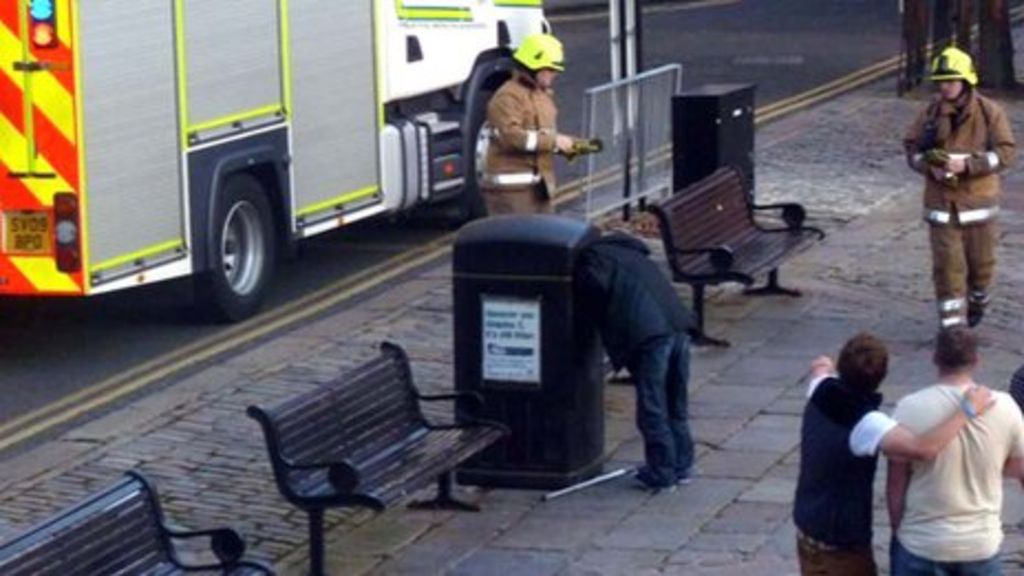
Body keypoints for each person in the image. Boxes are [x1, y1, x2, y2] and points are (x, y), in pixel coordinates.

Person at [794, 332, 993, 576]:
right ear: (882, 376)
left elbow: (819, 368)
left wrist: (826, 364)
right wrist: (967, 410)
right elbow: (924, 448)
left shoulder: (821, 389)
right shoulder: (867, 423)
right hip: (840, 548)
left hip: (807, 532)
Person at [887, 327, 1024, 575]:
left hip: (923, 542)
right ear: (977, 361)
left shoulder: (909, 408)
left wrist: (899, 528)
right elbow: (1019, 468)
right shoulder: (1005, 407)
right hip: (980, 544)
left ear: (935, 358)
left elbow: (896, 483)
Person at [903, 46, 1016, 329]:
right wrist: (931, 167)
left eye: (951, 81)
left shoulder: (990, 113)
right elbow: (912, 150)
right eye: (941, 81)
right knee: (947, 271)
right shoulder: (929, 114)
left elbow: (1005, 154)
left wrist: (968, 165)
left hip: (978, 207)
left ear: (966, 81)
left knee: (981, 269)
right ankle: (952, 329)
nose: (945, 87)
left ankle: (978, 300)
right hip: (942, 208)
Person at [574, 231, 696, 491]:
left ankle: (662, 472)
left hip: (649, 335)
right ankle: (682, 466)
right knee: (675, 401)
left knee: (652, 406)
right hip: (678, 325)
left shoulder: (593, 260)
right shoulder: (630, 252)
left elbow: (592, 287)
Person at [481, 33, 578, 215]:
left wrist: (569, 146)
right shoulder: (507, 97)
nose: (555, 74)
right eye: (550, 69)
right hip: (511, 194)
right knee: (518, 242)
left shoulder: (542, 96)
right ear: (534, 67)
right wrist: (553, 142)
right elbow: (512, 137)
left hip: (539, 189)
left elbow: (543, 134)